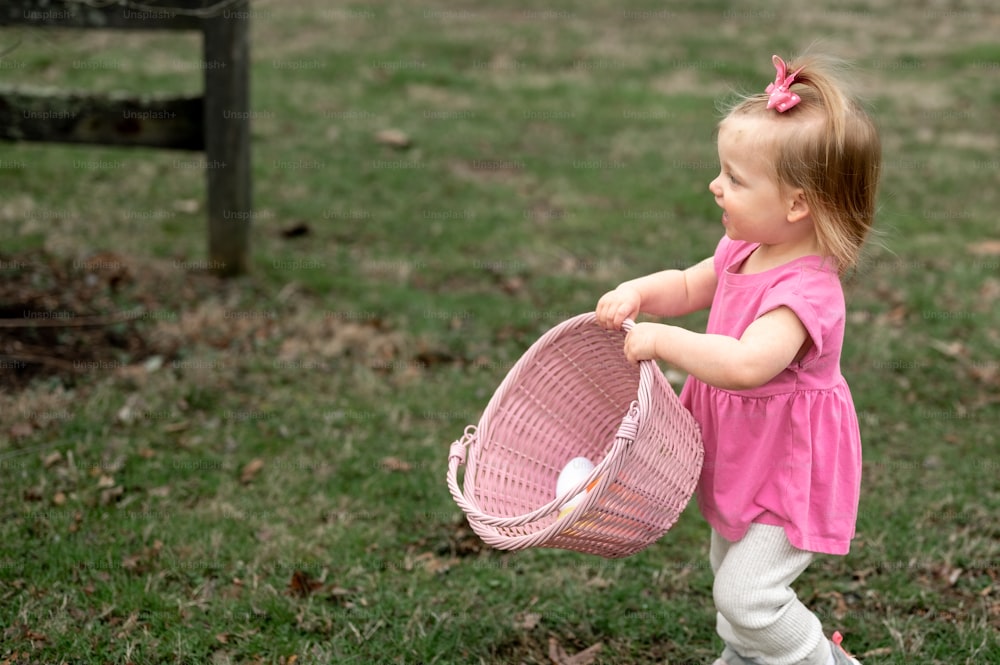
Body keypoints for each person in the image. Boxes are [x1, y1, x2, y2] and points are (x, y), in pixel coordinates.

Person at [595, 53, 880, 665]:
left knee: (748, 594)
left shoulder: (806, 293)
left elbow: (750, 364)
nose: (715, 186)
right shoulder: (745, 247)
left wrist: (663, 340)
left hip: (788, 463)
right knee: (729, 571)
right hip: (745, 452)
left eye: (735, 178)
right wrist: (641, 294)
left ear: (798, 204)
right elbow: (690, 283)